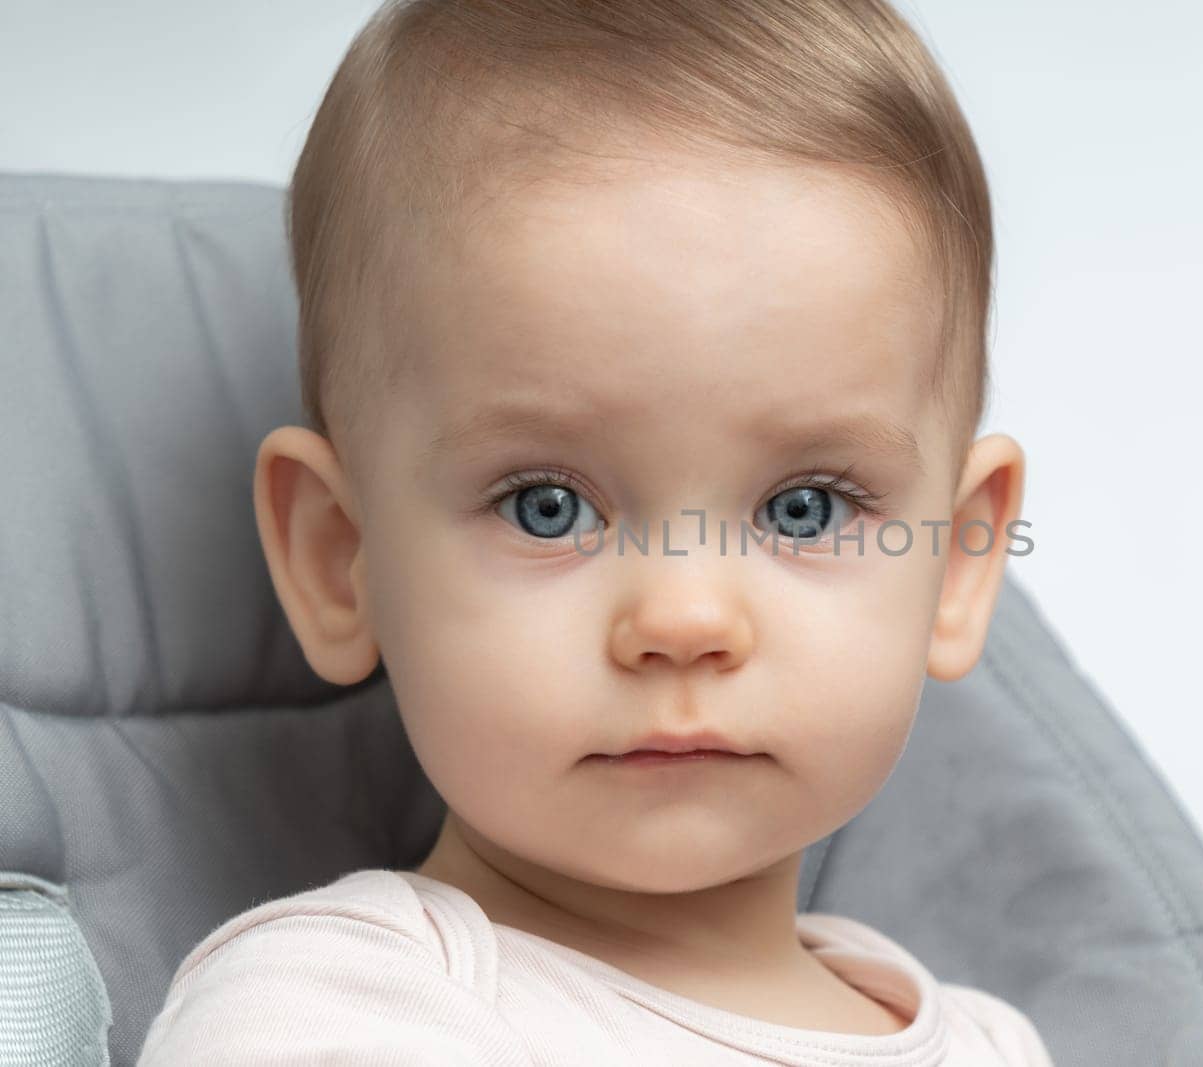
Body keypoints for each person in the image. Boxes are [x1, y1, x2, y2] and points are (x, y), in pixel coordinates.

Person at [138, 0, 1043, 1062]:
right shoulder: (336, 1011)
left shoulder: (993, 1043)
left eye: (805, 505)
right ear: (342, 558)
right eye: (546, 504)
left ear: (954, 564)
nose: (684, 618)